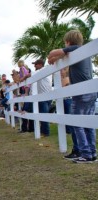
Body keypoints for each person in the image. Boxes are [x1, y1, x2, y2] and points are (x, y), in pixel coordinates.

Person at [48, 29, 97, 163]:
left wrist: (51, 57)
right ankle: (92, 153)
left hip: (81, 92)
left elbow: (53, 53)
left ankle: (85, 154)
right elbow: (60, 56)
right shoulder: (82, 52)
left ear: (68, 42)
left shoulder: (75, 49)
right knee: (88, 124)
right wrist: (55, 58)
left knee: (78, 123)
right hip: (91, 91)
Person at [31, 59, 52, 136]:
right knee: (43, 114)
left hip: (44, 96)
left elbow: (30, 75)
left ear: (40, 64)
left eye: (35, 64)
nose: (34, 66)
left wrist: (23, 78)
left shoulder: (42, 70)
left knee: (44, 114)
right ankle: (44, 131)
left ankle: (46, 132)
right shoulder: (44, 71)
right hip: (46, 96)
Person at [61, 67, 78, 159]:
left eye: (62, 70)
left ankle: (77, 149)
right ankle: (77, 148)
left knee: (73, 126)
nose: (60, 72)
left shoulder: (66, 79)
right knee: (73, 126)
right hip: (68, 100)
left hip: (68, 100)